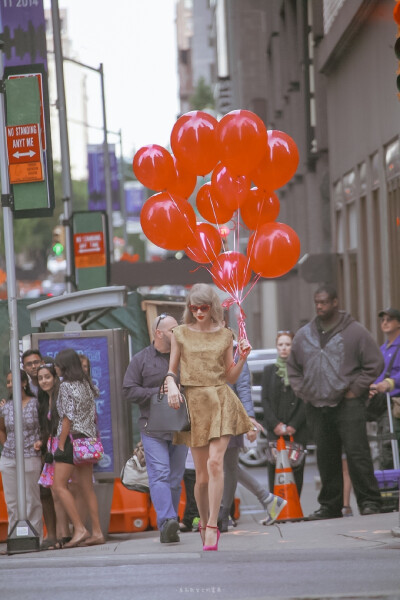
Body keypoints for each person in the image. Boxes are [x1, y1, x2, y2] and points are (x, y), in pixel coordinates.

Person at [167, 283, 259, 551]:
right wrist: (171, 384)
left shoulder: (225, 334)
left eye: (203, 308)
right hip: (194, 401)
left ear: (213, 308)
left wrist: (242, 358)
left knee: (216, 464)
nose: (198, 312)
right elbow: (172, 370)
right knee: (201, 477)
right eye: (193, 307)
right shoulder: (180, 334)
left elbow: (231, 377)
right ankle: (203, 519)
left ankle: (212, 526)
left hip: (220, 399)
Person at [288, 284, 384, 519]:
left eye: (323, 302)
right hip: (317, 405)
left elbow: (375, 363)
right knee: (326, 456)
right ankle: (330, 506)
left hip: (348, 403)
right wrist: (303, 391)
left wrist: (356, 389)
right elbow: (293, 367)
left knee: (357, 453)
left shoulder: (355, 332)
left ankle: (370, 502)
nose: (319, 306)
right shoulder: (304, 334)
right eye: (316, 302)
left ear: (335, 302)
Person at [122, 314, 188, 544]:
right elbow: (128, 390)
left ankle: (170, 521)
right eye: (173, 330)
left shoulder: (184, 356)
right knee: (159, 474)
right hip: (153, 428)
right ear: (158, 333)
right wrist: (157, 394)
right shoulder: (140, 360)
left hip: (181, 427)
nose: (177, 334)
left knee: (175, 477)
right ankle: (167, 522)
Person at [219, 342, 286, 532]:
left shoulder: (233, 350)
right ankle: (266, 499)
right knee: (227, 466)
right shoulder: (202, 343)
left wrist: (249, 419)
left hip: (229, 415)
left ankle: (223, 515)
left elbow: (243, 387)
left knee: (227, 466)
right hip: (211, 415)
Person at [52, 348, 104, 548]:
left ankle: (80, 529)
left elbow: (67, 417)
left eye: (57, 365)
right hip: (88, 440)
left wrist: (61, 444)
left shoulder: (65, 386)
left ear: (63, 366)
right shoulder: (86, 384)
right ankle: (97, 532)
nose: (55, 368)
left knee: (58, 486)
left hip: (71, 439)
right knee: (87, 488)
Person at [261, 331, 307, 497]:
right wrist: (276, 425)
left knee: (297, 466)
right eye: (281, 344)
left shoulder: (300, 371)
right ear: (276, 346)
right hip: (275, 430)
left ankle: (295, 503)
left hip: (297, 429)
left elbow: (304, 401)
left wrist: (293, 425)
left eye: (288, 344)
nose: (284, 348)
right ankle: (277, 505)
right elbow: (264, 400)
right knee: (274, 466)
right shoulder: (268, 371)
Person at [0, 369, 43, 540]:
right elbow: (1, 429)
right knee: (12, 502)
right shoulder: (6, 407)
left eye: (14, 381)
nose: (10, 385)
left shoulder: (35, 403)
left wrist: (40, 443)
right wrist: (7, 444)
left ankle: (34, 538)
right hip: (9, 456)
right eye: (8, 382)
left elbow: (43, 427)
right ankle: (15, 538)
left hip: (31, 454)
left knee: (31, 499)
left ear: (24, 383)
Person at [35, 360, 71, 549]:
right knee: (54, 491)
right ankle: (62, 535)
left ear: (55, 378)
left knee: (62, 490)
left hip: (63, 446)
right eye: (40, 378)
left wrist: (61, 445)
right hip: (51, 448)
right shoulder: (43, 400)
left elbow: (67, 421)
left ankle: (69, 533)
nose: (43, 381)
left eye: (47, 377)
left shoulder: (60, 396)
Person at [369, 307, 400, 468]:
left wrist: (391, 383)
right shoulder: (382, 349)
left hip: (396, 404)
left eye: (390, 319)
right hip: (383, 405)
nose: (385, 322)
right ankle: (388, 485)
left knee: (391, 445)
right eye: (383, 320)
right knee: (384, 445)